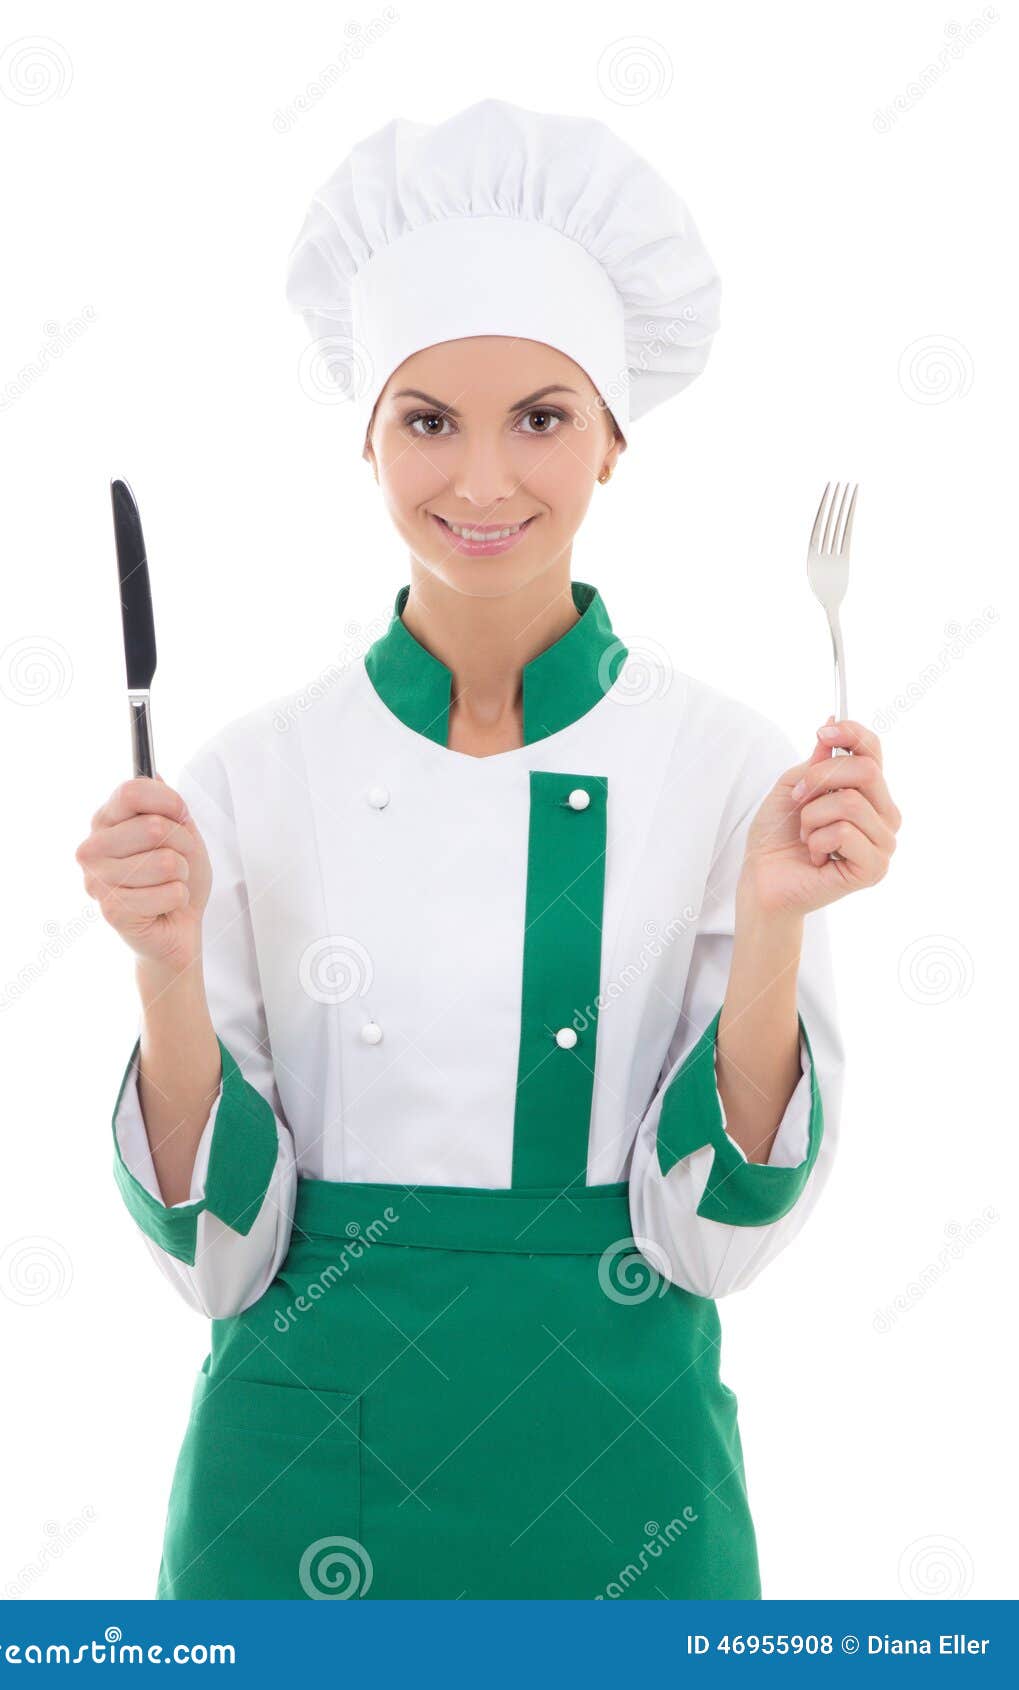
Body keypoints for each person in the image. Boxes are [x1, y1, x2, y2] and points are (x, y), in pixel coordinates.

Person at [76, 98, 901, 1600]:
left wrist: (773, 918)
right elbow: (217, 1262)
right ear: (368, 436)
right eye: (428, 421)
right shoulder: (250, 775)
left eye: (540, 417)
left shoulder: (726, 763)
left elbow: (708, 1239)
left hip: (624, 1474)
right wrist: (162, 970)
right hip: (294, 1479)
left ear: (614, 443)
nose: (480, 482)